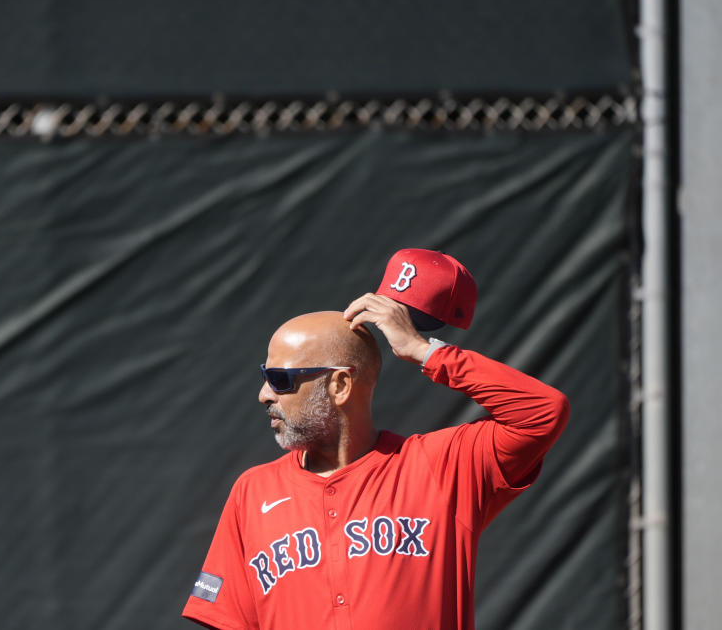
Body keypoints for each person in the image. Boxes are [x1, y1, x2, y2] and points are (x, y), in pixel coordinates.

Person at [182, 249, 570, 630]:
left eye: (281, 380)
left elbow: (542, 413)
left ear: (339, 384)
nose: (265, 394)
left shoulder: (441, 466)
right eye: (266, 376)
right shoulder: (253, 492)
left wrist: (424, 351)